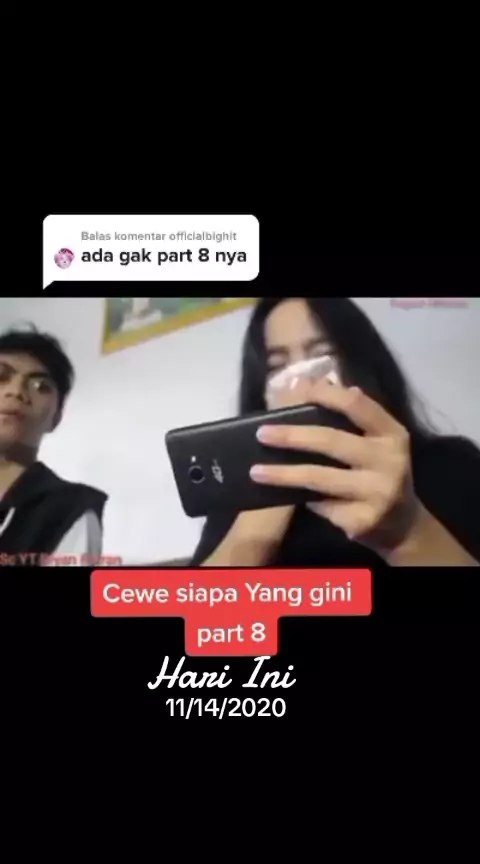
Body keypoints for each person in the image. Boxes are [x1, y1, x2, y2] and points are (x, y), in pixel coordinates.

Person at [191, 297, 480, 568]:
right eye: (278, 366)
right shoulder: (236, 498)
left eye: (322, 354)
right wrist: (274, 484)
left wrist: (408, 532)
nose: (301, 380)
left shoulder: (450, 463)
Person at [0, 328, 108, 566]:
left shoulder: (70, 510)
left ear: (56, 416)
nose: (16, 392)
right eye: (1, 377)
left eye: (40, 386)